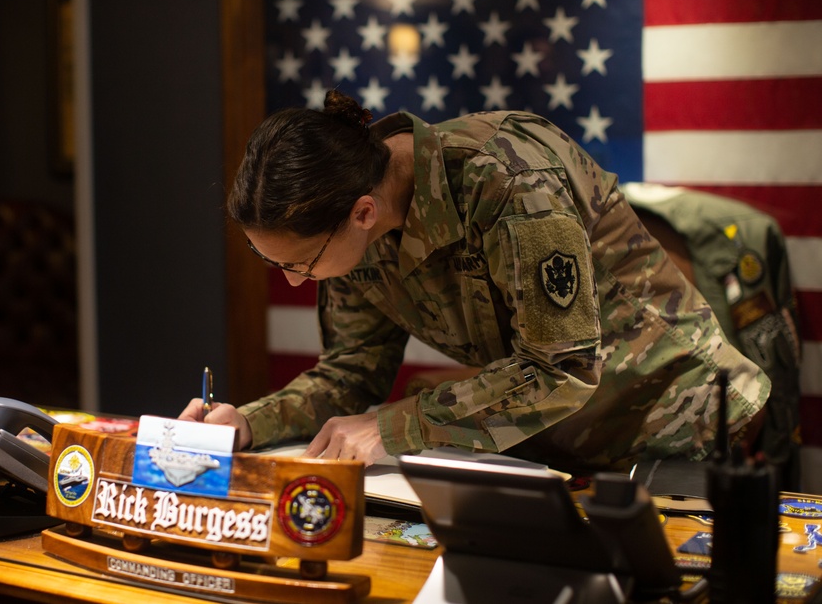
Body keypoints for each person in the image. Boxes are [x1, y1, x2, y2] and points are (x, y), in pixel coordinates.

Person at [180, 90, 771, 472]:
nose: (289, 283)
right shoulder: (350, 224)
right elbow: (352, 373)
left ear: (362, 212)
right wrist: (251, 422)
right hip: (555, 448)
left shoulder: (510, 180)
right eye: (272, 262)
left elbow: (559, 369)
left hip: (680, 429)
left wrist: (393, 426)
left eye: (299, 265)